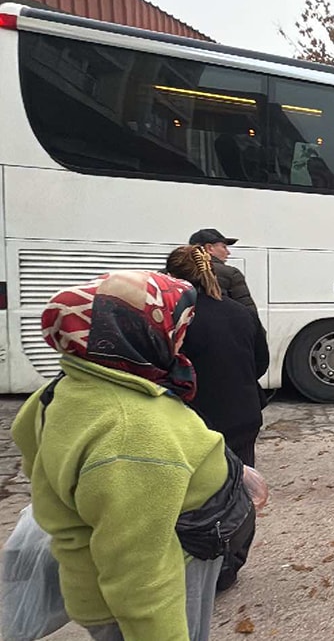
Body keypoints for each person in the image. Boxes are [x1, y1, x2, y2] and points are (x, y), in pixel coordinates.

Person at [10, 271, 238, 640]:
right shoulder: (133, 429)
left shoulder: (63, 391)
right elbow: (140, 572)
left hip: (95, 588)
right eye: (176, 323)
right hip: (144, 606)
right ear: (132, 332)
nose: (182, 334)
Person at [165, 246, 269, 593]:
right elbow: (261, 363)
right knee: (239, 491)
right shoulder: (241, 313)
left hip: (193, 421)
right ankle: (231, 565)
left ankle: (196, 564)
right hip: (242, 413)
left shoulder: (173, 319)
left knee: (194, 497)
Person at [189, 228, 256, 310]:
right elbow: (248, 310)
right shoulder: (231, 273)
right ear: (209, 248)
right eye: (224, 247)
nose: (228, 252)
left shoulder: (178, 270)